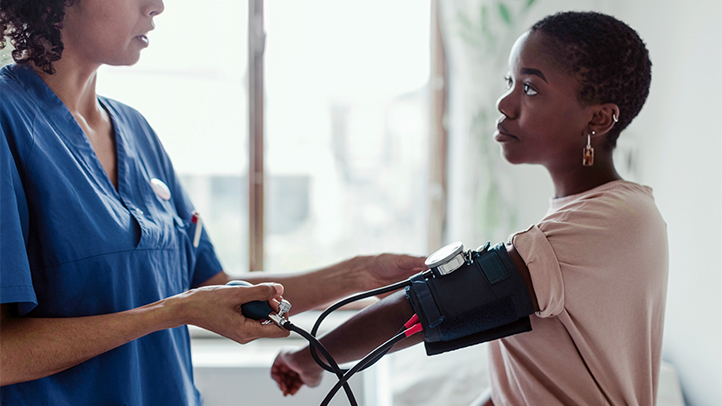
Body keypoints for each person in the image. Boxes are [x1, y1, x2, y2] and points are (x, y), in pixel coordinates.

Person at [0, 0, 428, 404]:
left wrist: (360, 272)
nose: (157, 5)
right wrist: (173, 311)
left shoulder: (135, 130)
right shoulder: (8, 123)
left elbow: (214, 289)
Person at [271, 11, 668, 406]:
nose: (504, 102)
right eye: (510, 82)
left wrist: (309, 359)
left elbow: (424, 310)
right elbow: (543, 367)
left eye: (529, 88)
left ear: (598, 118)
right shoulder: (596, 215)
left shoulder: (608, 223)